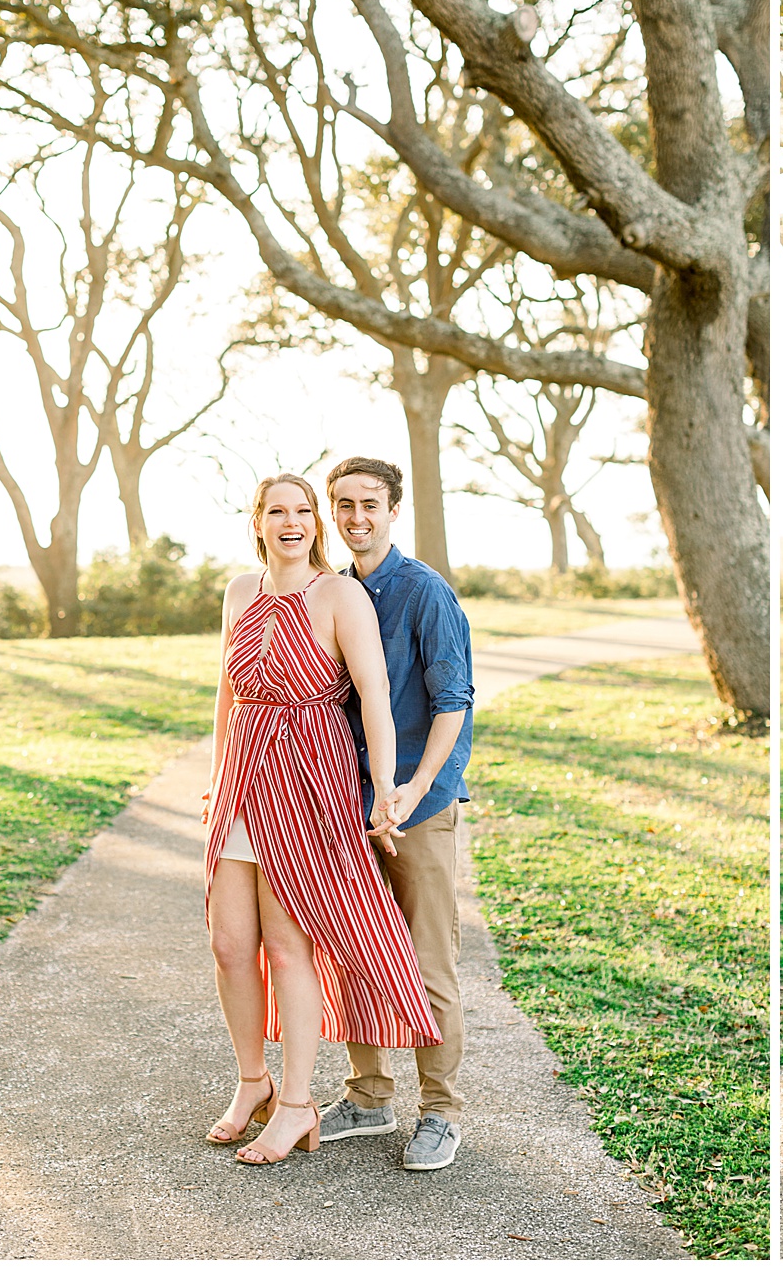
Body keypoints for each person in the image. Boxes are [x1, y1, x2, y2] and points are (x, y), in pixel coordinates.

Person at [202, 473, 441, 1166]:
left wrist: (384, 787)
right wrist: (216, 781)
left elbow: (373, 696)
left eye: (303, 511)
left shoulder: (339, 595)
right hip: (243, 775)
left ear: (316, 523)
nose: (292, 522)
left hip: (309, 779)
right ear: (257, 521)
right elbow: (227, 695)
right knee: (228, 943)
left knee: (287, 948)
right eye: (278, 511)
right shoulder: (239, 591)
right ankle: (253, 1081)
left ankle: (298, 1103)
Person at [316, 456, 476, 1172]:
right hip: (344, 802)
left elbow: (453, 703)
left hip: (417, 807)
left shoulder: (424, 593)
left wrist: (415, 788)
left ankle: (440, 1111)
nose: (356, 518)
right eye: (344, 505)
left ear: (392, 511)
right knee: (357, 952)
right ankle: (369, 1095)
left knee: (427, 961)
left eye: (369, 504)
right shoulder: (331, 591)